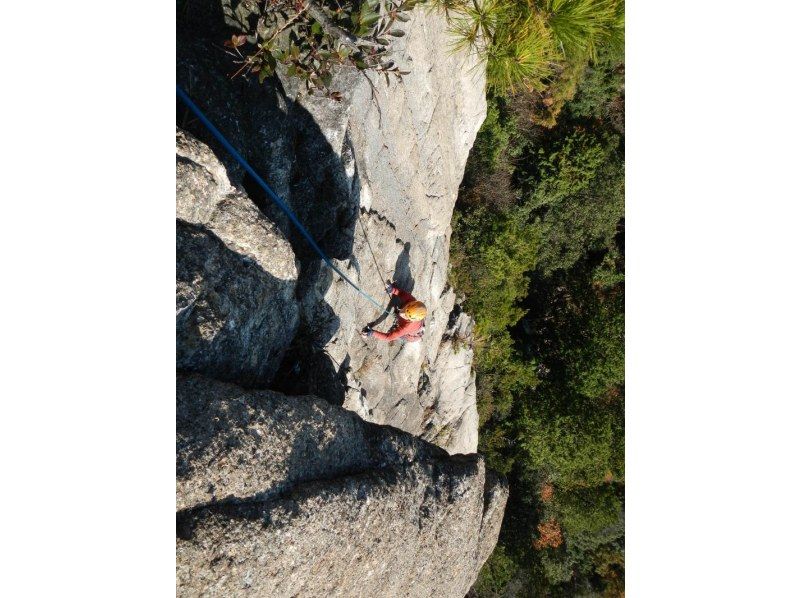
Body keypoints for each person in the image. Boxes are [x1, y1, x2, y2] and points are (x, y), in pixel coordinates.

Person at [361, 282, 427, 342]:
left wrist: (372, 333)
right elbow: (402, 293)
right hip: (418, 322)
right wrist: (393, 290)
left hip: (413, 334)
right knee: (402, 315)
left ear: (410, 319)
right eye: (405, 309)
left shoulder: (406, 327)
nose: (402, 313)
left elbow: (389, 337)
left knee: (402, 335)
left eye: (406, 315)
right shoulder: (411, 301)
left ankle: (416, 338)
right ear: (410, 304)